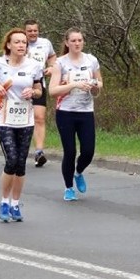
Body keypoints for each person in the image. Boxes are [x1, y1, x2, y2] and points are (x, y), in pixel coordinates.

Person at [0, 28, 43, 222]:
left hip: (25, 118)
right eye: (17, 42)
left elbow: (39, 90)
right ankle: (4, 202)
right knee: (12, 159)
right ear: (8, 44)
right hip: (4, 118)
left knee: (21, 163)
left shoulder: (34, 65)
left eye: (24, 42)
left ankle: (15, 204)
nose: (21, 45)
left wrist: (33, 93)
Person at [48, 27, 103, 201]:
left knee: (88, 151)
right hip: (66, 112)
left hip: (86, 111)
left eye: (79, 40)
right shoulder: (60, 63)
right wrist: (73, 85)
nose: (77, 43)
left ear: (83, 42)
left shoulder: (91, 60)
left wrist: (93, 85)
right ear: (67, 43)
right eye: (73, 41)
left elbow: (100, 82)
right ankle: (68, 187)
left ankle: (78, 172)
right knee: (70, 151)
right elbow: (53, 91)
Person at [24, 19, 57, 167]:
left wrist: (51, 67)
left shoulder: (45, 43)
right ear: (25, 32)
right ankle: (18, 150)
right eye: (29, 30)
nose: (32, 33)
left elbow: (52, 56)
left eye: (35, 30)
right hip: (21, 87)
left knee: (39, 118)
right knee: (22, 119)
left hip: (39, 86)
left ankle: (39, 152)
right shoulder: (19, 43)